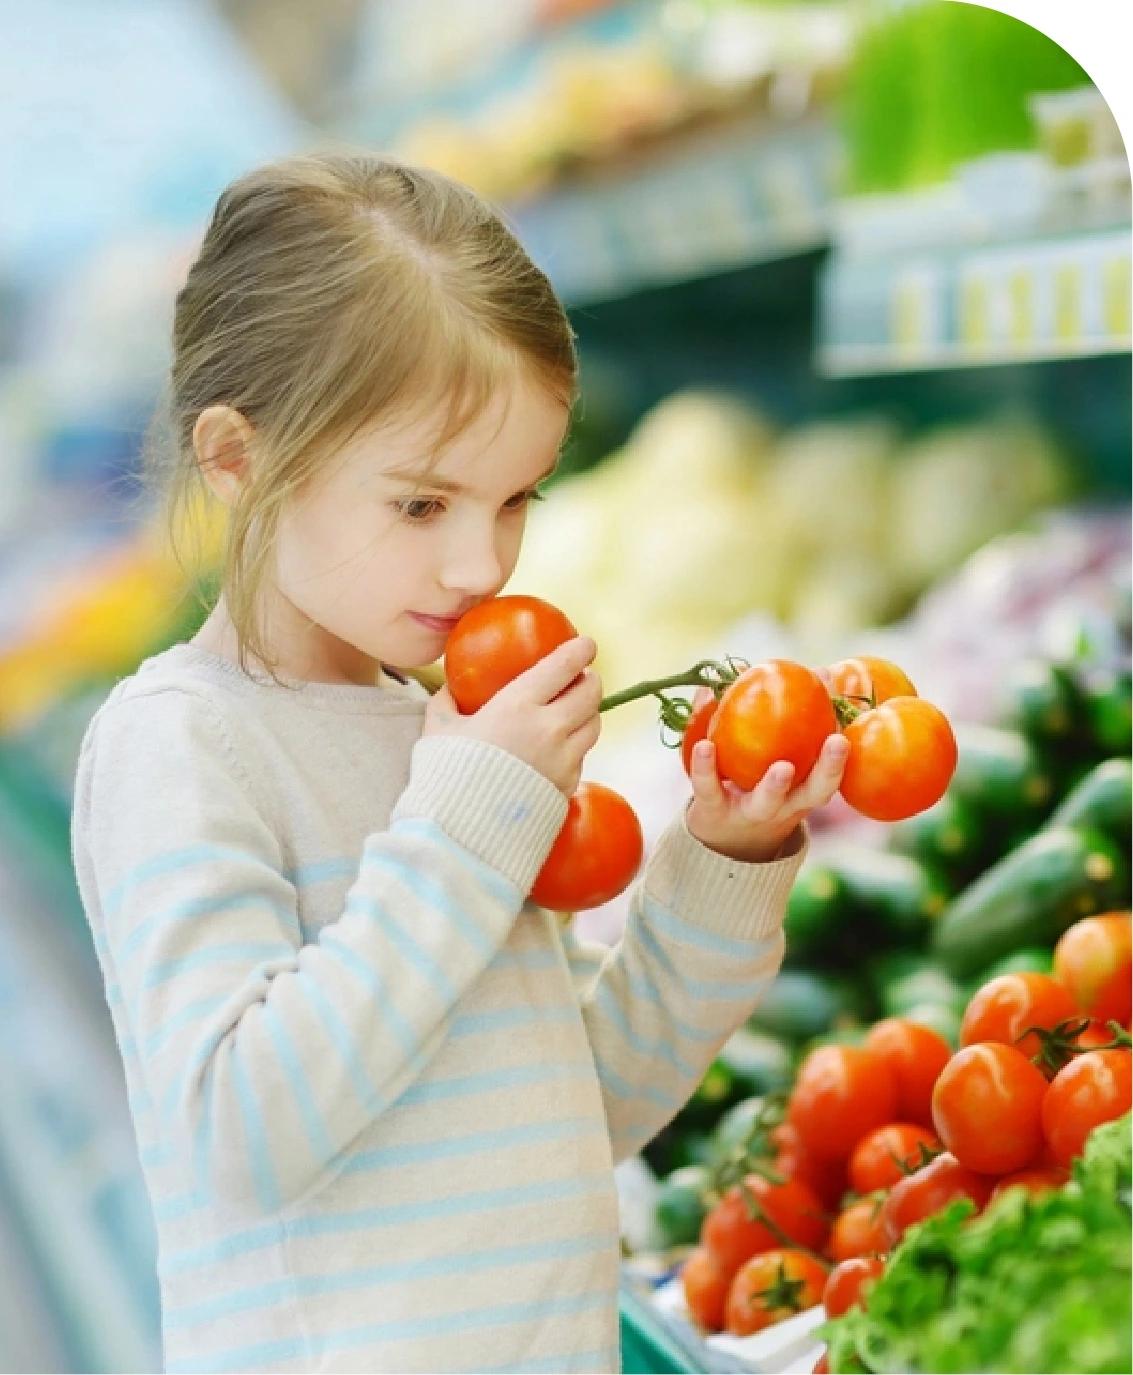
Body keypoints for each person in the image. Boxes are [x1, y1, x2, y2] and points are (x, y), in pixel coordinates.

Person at [70, 152, 849, 1375]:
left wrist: (721, 860)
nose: (479, 565)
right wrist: (465, 819)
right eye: (423, 506)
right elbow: (239, 1126)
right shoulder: (181, 742)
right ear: (239, 460)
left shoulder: (434, 731)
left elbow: (571, 1103)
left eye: (515, 499)